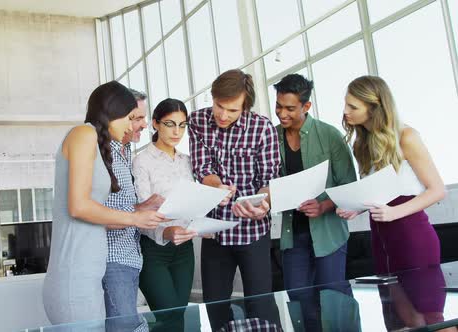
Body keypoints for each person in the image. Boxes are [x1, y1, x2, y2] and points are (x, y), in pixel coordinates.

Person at [42, 81, 165, 325]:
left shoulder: (98, 146)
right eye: (130, 118)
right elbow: (78, 206)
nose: (132, 126)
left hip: (89, 272)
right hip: (74, 275)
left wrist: (138, 211)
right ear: (113, 111)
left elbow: (96, 211)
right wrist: (134, 218)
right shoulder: (83, 133)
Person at [189, 69, 281, 330]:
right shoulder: (198, 121)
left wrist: (263, 205)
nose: (222, 115)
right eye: (219, 105)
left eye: (231, 110)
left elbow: (269, 180)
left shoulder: (262, 128)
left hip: (253, 231)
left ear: (245, 107)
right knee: (214, 306)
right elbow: (202, 168)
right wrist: (217, 187)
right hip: (216, 232)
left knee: (261, 305)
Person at [337, 75, 446, 275]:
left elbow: (438, 190)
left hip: (412, 235)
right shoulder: (362, 144)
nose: (345, 111)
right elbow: (379, 192)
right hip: (380, 238)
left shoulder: (407, 136)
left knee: (421, 306)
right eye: (346, 104)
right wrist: (357, 208)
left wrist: (394, 212)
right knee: (390, 305)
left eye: (353, 107)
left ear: (373, 108)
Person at [273, 74, 356, 292]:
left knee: (333, 298)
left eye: (290, 108)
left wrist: (323, 206)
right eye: (278, 106)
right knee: (298, 302)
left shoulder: (330, 135)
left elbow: (348, 186)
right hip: (293, 235)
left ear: (306, 105)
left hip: (328, 234)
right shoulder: (271, 137)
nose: (282, 113)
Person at [102, 88, 165, 331]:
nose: (143, 124)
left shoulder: (125, 151)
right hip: (113, 258)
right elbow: (93, 212)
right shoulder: (101, 153)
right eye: (136, 118)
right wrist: (137, 217)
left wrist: (143, 207)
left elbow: (117, 207)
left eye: (142, 117)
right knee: (126, 326)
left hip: (130, 256)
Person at [132, 98, 198, 331]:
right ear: (155, 124)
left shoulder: (187, 162)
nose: (177, 131)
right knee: (168, 317)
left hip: (184, 250)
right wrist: (166, 230)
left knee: (177, 318)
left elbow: (194, 203)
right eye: (170, 124)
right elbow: (140, 213)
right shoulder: (141, 161)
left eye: (182, 125)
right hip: (153, 251)